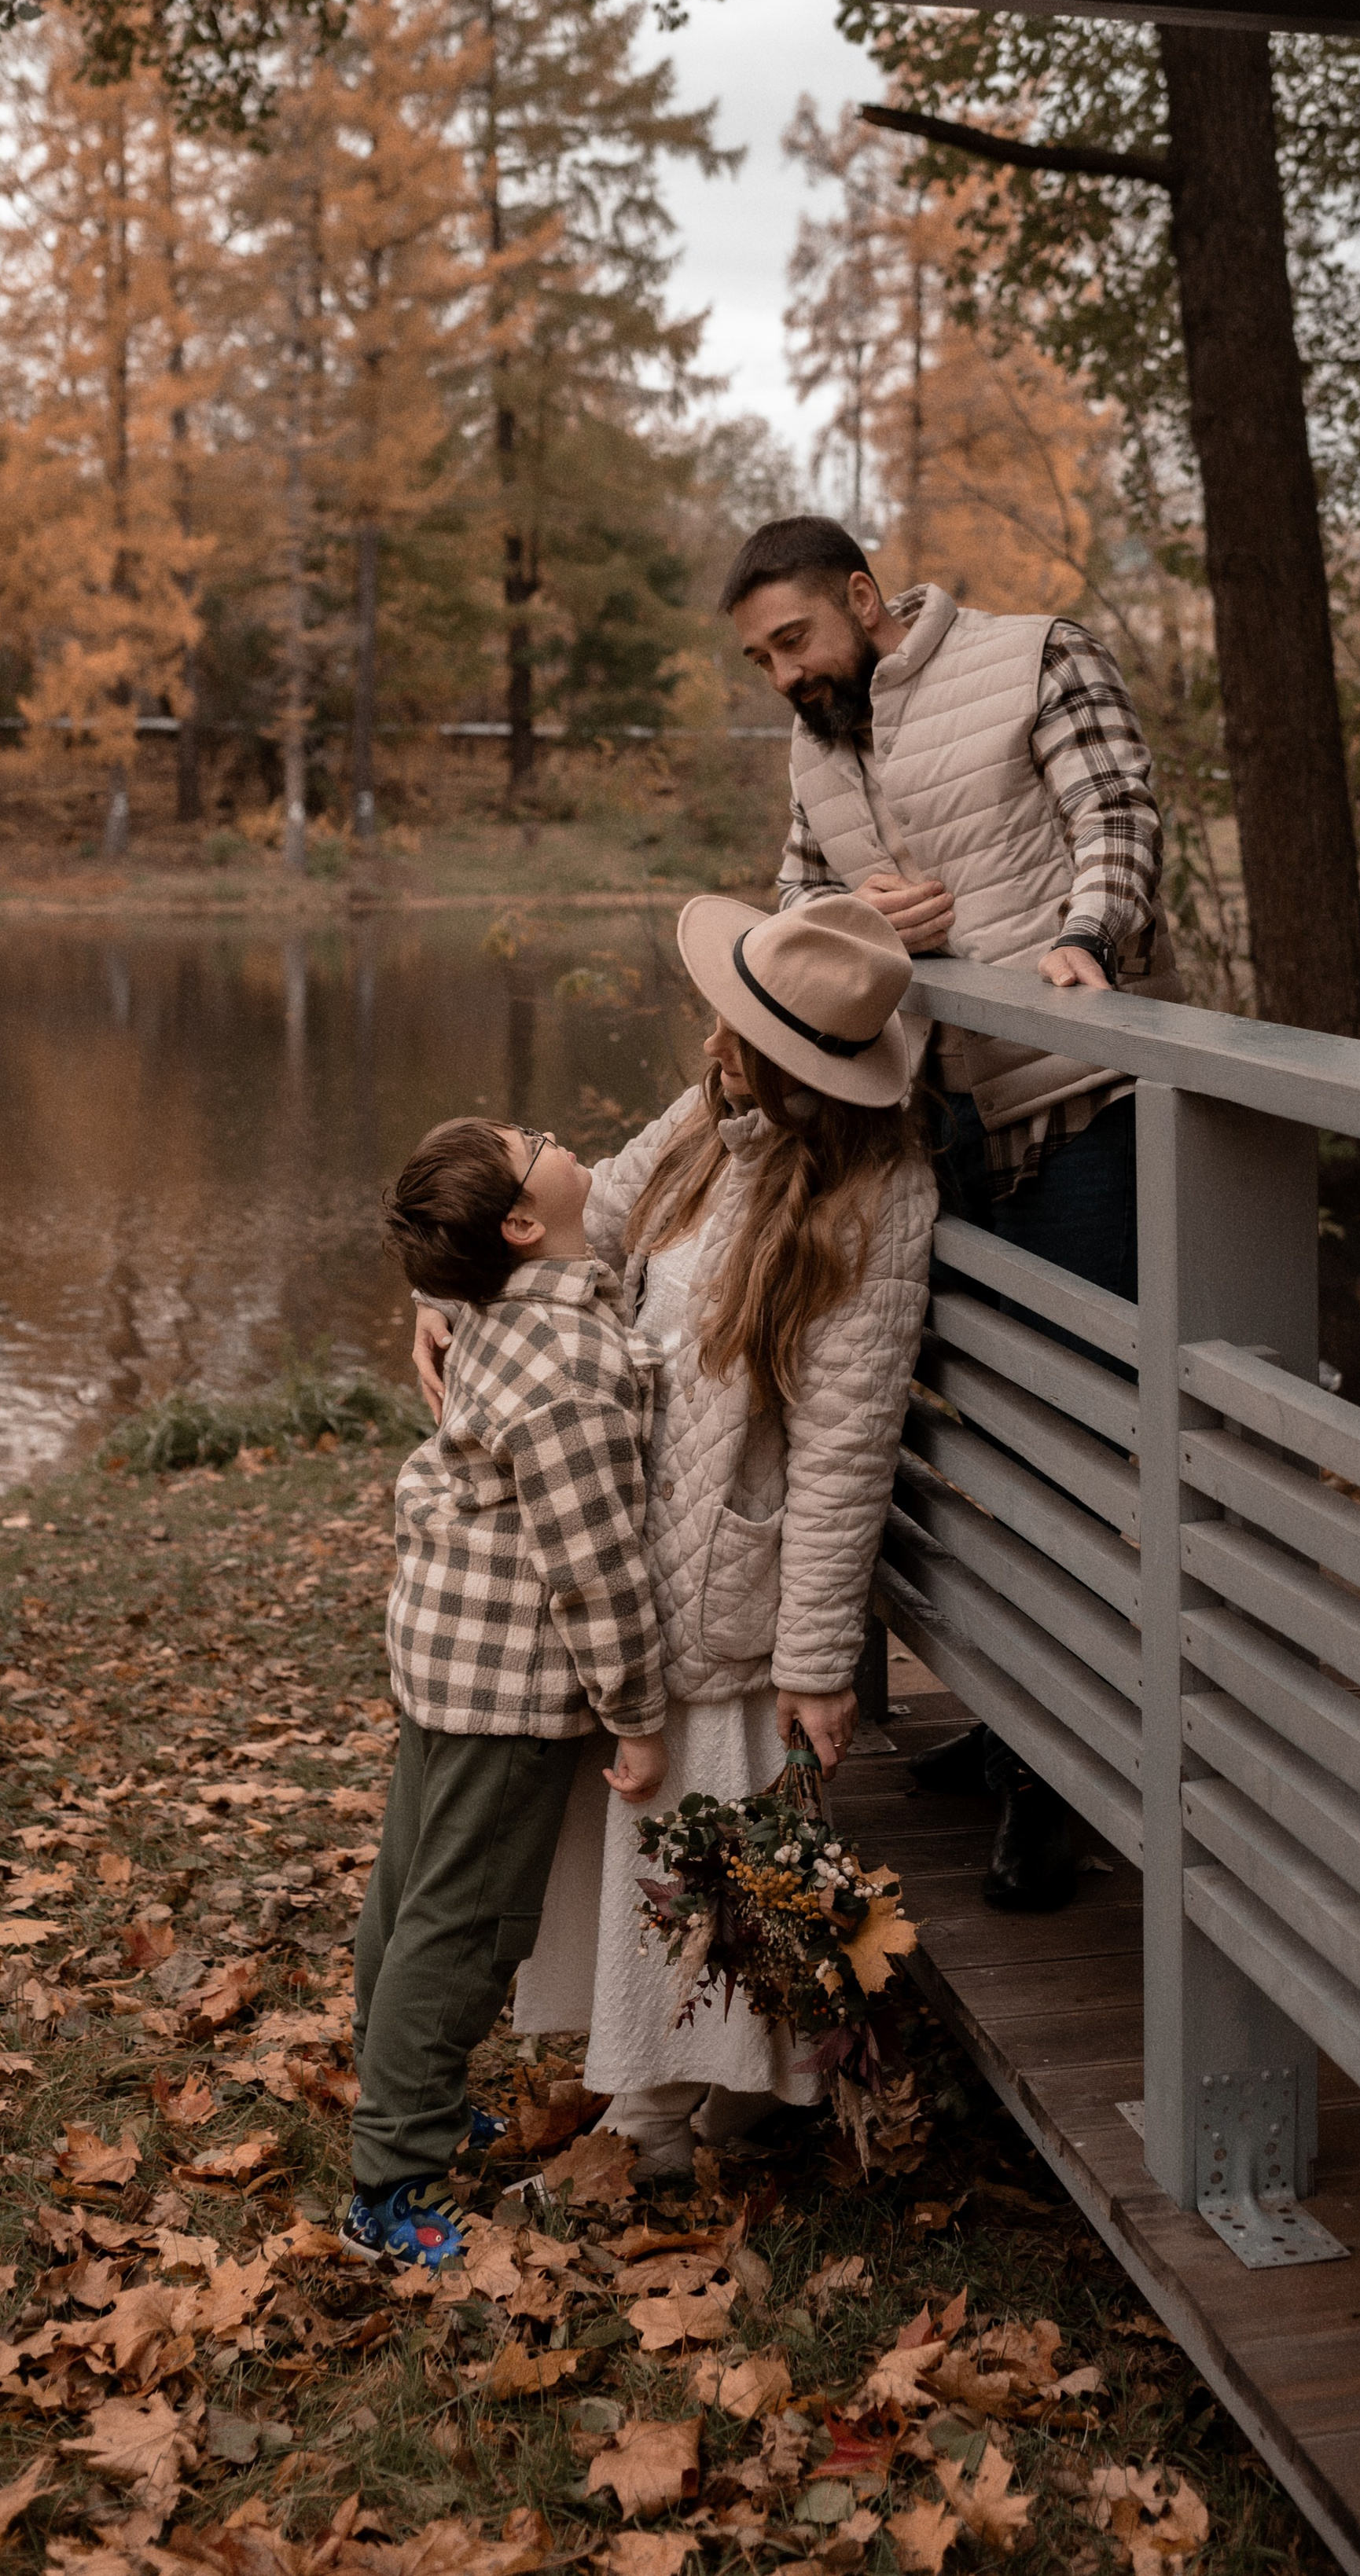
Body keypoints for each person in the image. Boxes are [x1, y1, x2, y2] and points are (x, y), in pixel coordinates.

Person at [417, 890, 935, 2179]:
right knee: (648, 1848)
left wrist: (817, 1656)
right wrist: (447, 1289)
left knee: (702, 1849)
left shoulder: (878, 1202)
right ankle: (688, 2092)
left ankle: (663, 2120)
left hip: (730, 1577)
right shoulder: (718, 1121)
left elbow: (846, 1447)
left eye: (734, 1030)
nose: (708, 1043)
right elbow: (577, 1221)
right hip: (637, 1542)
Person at [726, 514, 1175, 1913]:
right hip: (941, 1128)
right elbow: (797, 900)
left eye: (795, 639)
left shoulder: (1038, 655)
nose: (785, 674)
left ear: (864, 598)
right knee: (975, 1443)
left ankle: (1064, 1781)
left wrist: (1085, 938)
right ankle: (1017, 1715)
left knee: (1087, 1453)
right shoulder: (823, 740)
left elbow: (1117, 818)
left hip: (1086, 1108)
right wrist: (856, 911)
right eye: (760, 659)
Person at [345, 1112, 668, 2271]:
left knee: (409, 1886)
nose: (550, 1130)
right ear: (526, 1223)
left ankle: (395, 2091)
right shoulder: (568, 1370)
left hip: (445, 1651)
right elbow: (597, 1566)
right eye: (532, 1141)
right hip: (507, 1680)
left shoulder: (499, 1305)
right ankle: (391, 2177)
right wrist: (636, 1713)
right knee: (467, 1923)